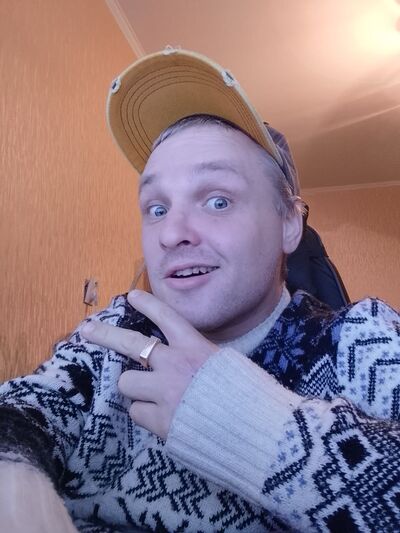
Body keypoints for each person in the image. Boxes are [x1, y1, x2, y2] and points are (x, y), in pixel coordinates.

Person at [0, 48, 399, 533]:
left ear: (289, 224)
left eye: (217, 200)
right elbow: (23, 409)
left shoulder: (361, 339)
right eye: (157, 208)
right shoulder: (116, 337)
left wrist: (243, 422)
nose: (171, 234)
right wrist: (15, 482)